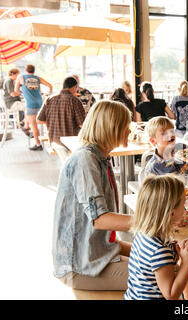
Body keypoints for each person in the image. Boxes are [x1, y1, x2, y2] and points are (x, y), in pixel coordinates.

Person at [52, 100, 133, 290]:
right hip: (79, 264)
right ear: (113, 127)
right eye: (126, 126)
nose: (130, 131)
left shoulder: (100, 156)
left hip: (96, 249)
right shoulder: (85, 159)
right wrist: (151, 221)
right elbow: (101, 220)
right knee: (162, 274)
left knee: (163, 255)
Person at [124, 175, 188, 300]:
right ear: (172, 213)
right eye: (183, 206)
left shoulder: (143, 233)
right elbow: (171, 295)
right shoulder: (159, 251)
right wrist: (186, 263)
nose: (185, 210)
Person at [37, 76, 86, 146]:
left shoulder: (49, 99)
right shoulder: (74, 101)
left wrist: (52, 123)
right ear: (74, 87)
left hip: (53, 142)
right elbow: (82, 124)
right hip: (70, 143)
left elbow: (39, 120)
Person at [15, 64, 53, 151]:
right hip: (40, 103)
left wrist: (22, 92)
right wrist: (49, 93)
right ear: (33, 71)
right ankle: (52, 143)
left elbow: (16, 91)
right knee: (46, 123)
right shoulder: (38, 78)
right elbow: (50, 85)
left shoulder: (21, 77)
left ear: (25, 70)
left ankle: (38, 144)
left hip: (30, 104)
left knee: (34, 126)